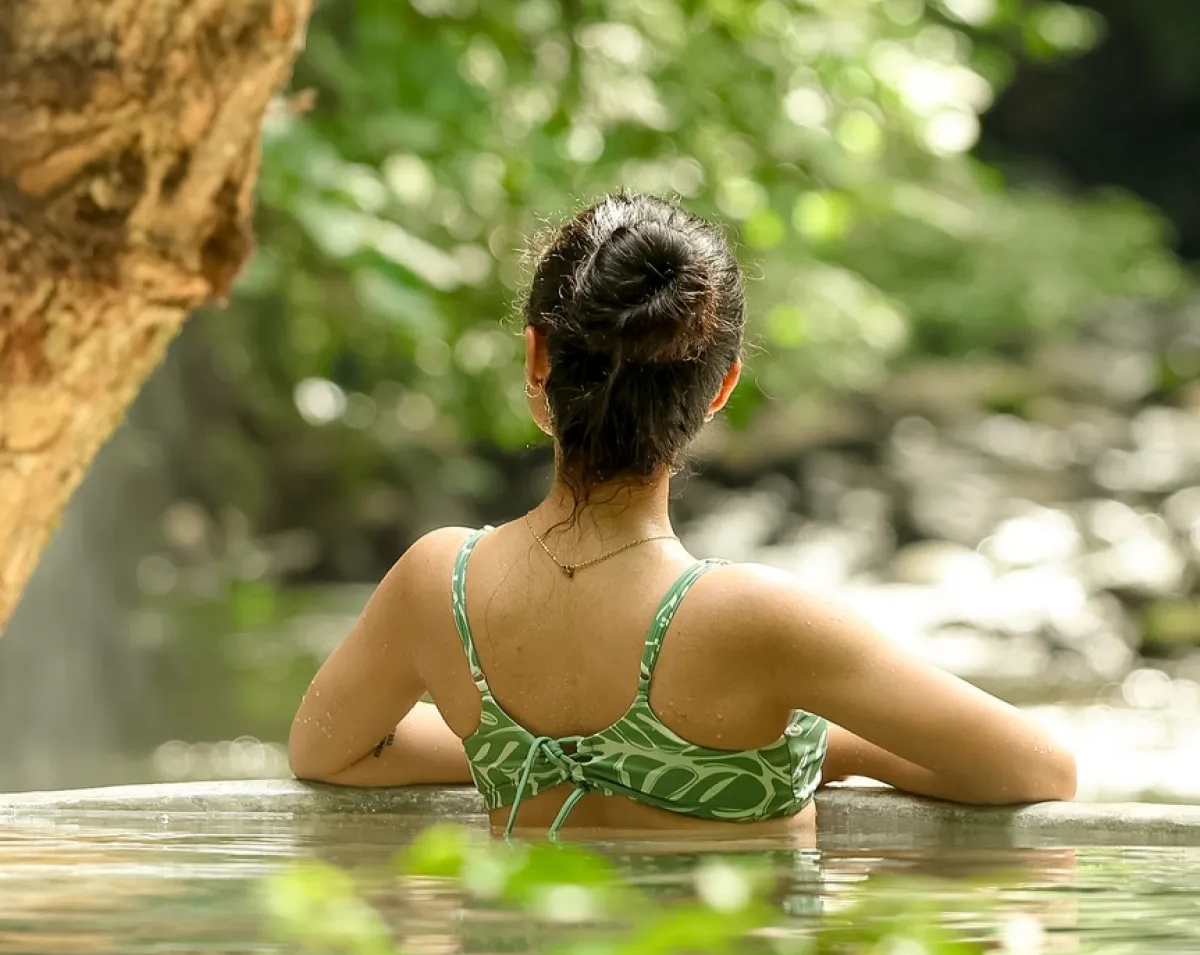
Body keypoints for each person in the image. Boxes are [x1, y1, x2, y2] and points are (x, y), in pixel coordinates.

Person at [289, 192, 1076, 839]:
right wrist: (819, 748)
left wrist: (510, 744)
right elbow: (1038, 771)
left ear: (536, 359)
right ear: (722, 388)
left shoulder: (441, 585)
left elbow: (330, 754)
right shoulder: (756, 619)